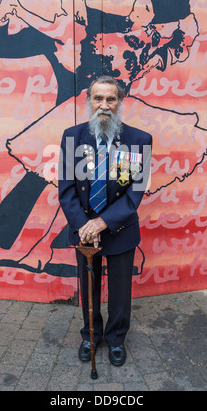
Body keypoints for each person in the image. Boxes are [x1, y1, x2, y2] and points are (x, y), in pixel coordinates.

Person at [58, 75, 152, 366]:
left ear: (120, 102)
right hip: (83, 229)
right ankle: (90, 335)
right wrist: (84, 225)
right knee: (89, 287)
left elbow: (135, 193)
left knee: (121, 292)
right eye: (98, 98)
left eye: (111, 98)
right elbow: (66, 188)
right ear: (88, 101)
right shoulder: (72, 137)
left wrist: (103, 222)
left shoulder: (139, 141)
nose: (104, 105)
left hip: (120, 229)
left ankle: (115, 339)